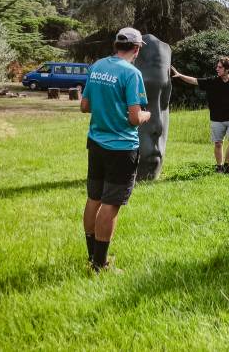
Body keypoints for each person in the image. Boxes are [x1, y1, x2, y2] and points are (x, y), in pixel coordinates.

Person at [80, 27, 150, 273]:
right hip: (121, 148)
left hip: (96, 143)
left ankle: (91, 256)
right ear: (137, 48)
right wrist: (146, 115)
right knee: (111, 204)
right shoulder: (132, 74)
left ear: (116, 45)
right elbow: (133, 118)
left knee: (94, 198)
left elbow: (84, 106)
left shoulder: (97, 66)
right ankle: (100, 264)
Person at [171, 57, 229, 174]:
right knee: (218, 143)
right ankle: (219, 167)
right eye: (217, 67)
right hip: (216, 119)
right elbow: (195, 81)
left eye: (220, 67)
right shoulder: (213, 81)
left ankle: (226, 165)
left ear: (227, 69)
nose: (217, 69)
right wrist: (180, 75)